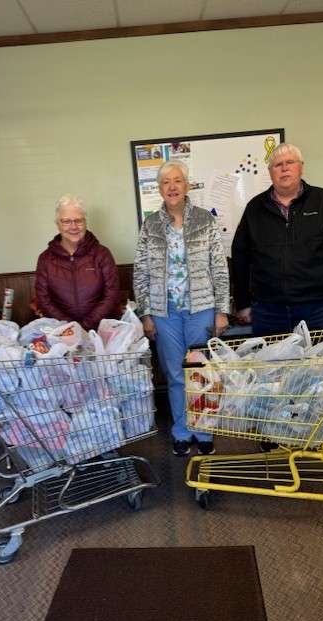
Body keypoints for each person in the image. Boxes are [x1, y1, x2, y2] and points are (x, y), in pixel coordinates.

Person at [133, 160, 230, 456]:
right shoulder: (150, 225)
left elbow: (219, 267)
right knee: (175, 374)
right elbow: (141, 272)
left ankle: (203, 430)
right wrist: (146, 314)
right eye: (166, 182)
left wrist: (222, 310)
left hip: (201, 309)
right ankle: (181, 430)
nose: (172, 187)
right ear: (160, 189)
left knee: (202, 373)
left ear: (187, 186)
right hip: (165, 314)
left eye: (177, 181)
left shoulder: (204, 220)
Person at [231, 143, 323, 336]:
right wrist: (243, 304)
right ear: (270, 172)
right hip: (268, 312)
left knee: (320, 365)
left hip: (317, 309)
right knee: (272, 367)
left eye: (290, 162)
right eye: (278, 164)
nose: (284, 168)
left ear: (301, 167)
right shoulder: (255, 209)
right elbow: (240, 258)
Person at [35, 195, 120, 330]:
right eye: (66, 221)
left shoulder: (102, 254)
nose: (73, 226)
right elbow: (44, 299)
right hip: (62, 332)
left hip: (101, 329)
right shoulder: (45, 259)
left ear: (85, 223)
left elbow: (112, 294)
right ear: (58, 225)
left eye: (78, 221)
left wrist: (86, 325)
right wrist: (71, 327)